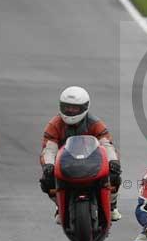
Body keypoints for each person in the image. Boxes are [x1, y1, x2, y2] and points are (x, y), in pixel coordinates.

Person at [39, 86, 122, 223]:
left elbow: (106, 144)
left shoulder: (95, 123)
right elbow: (49, 148)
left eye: (75, 108)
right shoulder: (54, 124)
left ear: (84, 108)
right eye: (67, 107)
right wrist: (49, 165)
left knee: (114, 175)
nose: (71, 111)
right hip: (65, 163)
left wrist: (113, 161)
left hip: (92, 162)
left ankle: (112, 205)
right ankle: (60, 205)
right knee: (46, 181)